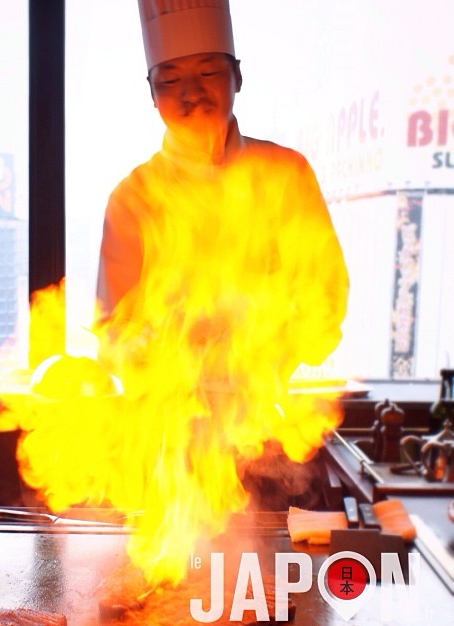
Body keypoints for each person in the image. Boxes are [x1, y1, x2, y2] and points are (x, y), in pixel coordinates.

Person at [95, 0, 349, 509]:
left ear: (236, 76)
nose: (191, 93)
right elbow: (112, 330)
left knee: (273, 580)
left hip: (267, 431)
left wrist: (262, 355)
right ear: (151, 95)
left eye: (209, 71)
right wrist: (167, 358)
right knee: (163, 582)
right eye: (170, 80)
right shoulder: (133, 196)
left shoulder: (285, 174)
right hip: (167, 445)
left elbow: (326, 298)